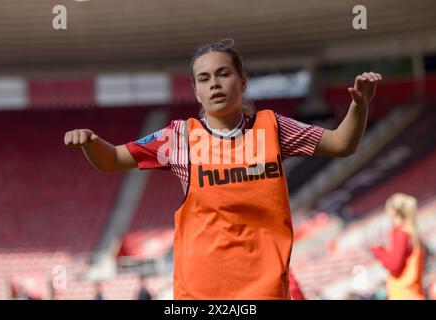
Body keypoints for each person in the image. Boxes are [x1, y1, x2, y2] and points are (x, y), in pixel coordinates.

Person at [64, 39, 381, 299]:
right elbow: (112, 160)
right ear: (196, 92)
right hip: (200, 293)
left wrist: (359, 106)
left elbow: (342, 143)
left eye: (223, 74)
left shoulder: (273, 128)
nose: (214, 83)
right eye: (204, 78)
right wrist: (91, 144)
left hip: (265, 290)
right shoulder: (179, 137)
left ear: (242, 82)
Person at [370, 193, 426, 300]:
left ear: (393, 211)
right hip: (412, 293)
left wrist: (377, 250)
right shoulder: (411, 232)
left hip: (404, 294)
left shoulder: (401, 233)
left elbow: (394, 265)